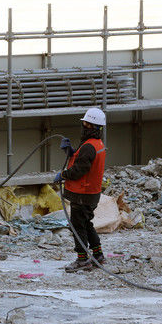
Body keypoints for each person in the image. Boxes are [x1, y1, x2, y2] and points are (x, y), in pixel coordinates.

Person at [55, 107, 107, 273]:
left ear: (91, 126)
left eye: (85, 123)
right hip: (91, 193)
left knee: (78, 226)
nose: (83, 125)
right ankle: (98, 255)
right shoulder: (95, 144)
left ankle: (82, 259)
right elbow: (83, 161)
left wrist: (63, 174)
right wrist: (71, 153)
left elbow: (79, 170)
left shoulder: (89, 146)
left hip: (83, 194)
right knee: (86, 223)